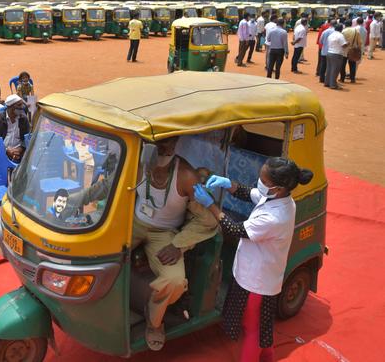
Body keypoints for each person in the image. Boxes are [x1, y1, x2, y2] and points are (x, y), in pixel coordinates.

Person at [193, 158, 313, 362]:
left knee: (251, 328)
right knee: (262, 324)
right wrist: (227, 183)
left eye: (263, 181)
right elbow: (249, 193)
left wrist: (210, 205)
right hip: (262, 276)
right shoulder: (280, 198)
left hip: (256, 282)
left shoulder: (274, 218)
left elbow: (234, 229)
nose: (259, 183)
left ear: (277, 188)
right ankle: (268, 355)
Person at [130, 137, 217, 351]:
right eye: (158, 141)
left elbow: (209, 219)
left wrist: (179, 245)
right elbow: (106, 185)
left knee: (175, 281)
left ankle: (154, 321)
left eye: (169, 142)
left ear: (176, 142)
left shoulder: (186, 176)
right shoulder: (136, 162)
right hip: (133, 223)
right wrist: (78, 200)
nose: (163, 147)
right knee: (98, 253)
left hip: (165, 233)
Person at [0, 94, 30, 162]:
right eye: (19, 105)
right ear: (10, 107)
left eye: (22, 104)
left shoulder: (23, 118)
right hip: (1, 151)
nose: (22, 107)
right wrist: (6, 150)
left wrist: (20, 149)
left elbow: (27, 137)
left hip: (19, 152)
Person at [325, 24, 347, 90]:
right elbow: (344, 45)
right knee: (335, 69)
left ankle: (327, 82)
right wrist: (348, 44)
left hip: (329, 52)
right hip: (337, 54)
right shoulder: (340, 35)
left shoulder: (331, 35)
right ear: (341, 29)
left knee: (329, 68)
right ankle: (333, 85)